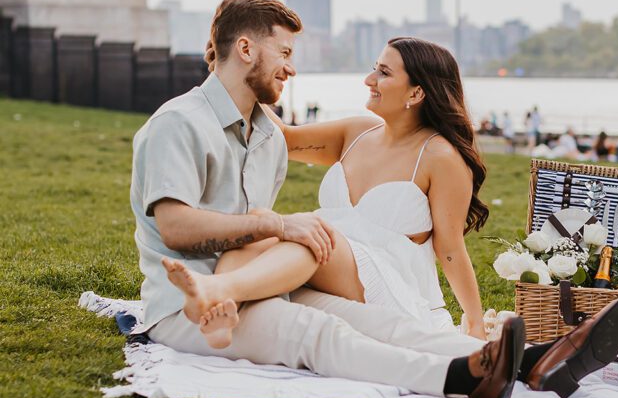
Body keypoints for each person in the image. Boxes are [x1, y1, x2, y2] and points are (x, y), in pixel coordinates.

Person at [133, 0, 618, 398]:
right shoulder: (180, 124)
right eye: (284, 53)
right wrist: (279, 226)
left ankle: (530, 363)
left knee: (378, 322)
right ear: (244, 48)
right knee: (318, 330)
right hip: (185, 306)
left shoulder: (266, 136)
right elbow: (176, 228)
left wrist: (476, 318)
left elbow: (449, 243)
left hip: (267, 280)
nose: (292, 67)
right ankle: (461, 377)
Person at [197, 36, 489, 339]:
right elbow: (283, 137)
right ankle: (223, 310)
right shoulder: (358, 132)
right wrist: (228, 72)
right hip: (328, 257)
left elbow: (451, 248)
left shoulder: (441, 157)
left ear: (416, 93)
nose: (369, 80)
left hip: (388, 283)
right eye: (374, 68)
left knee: (313, 236)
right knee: (255, 232)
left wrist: (475, 321)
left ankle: (218, 291)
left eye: (384, 73)